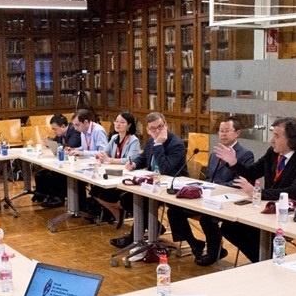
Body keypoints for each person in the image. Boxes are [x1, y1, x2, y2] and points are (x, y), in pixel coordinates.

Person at [220, 117, 296, 263]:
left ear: (291, 139)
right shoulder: (273, 153)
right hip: (267, 208)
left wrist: (258, 192)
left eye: (276, 136)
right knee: (229, 227)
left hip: (288, 213)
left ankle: (272, 261)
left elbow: (295, 192)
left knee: (247, 229)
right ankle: (263, 262)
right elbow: (252, 172)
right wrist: (234, 162)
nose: (272, 140)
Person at [168, 116, 254, 266]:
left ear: (237, 133)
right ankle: (195, 243)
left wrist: (215, 188)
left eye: (227, 131)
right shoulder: (214, 154)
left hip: (229, 200)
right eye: (220, 131)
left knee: (207, 219)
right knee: (174, 210)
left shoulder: (245, 154)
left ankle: (215, 252)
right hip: (207, 197)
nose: (223, 134)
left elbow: (240, 182)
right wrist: (203, 187)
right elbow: (208, 178)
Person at [111, 112, 187, 249]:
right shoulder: (151, 141)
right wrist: (134, 164)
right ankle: (153, 227)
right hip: (154, 185)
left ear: (166, 125)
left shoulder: (176, 144)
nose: (157, 131)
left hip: (172, 188)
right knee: (127, 199)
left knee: (143, 203)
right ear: (147, 129)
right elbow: (144, 157)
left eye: (160, 127)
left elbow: (165, 168)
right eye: (153, 129)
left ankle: (134, 238)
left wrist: (158, 145)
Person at [90, 111, 141, 227]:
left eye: (122, 122)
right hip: (112, 173)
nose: (118, 124)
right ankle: (115, 210)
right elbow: (105, 153)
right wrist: (101, 156)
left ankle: (117, 210)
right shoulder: (114, 138)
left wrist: (110, 160)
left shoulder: (134, 140)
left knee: (104, 192)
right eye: (116, 121)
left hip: (125, 175)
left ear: (129, 125)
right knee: (95, 191)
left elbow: (130, 159)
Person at [33, 114, 81, 208]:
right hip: (64, 162)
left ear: (63, 126)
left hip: (75, 164)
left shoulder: (75, 132)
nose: (54, 131)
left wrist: (57, 145)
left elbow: (69, 147)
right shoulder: (60, 134)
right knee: (40, 175)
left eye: (55, 129)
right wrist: (50, 142)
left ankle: (58, 199)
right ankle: (44, 196)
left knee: (55, 175)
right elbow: (57, 144)